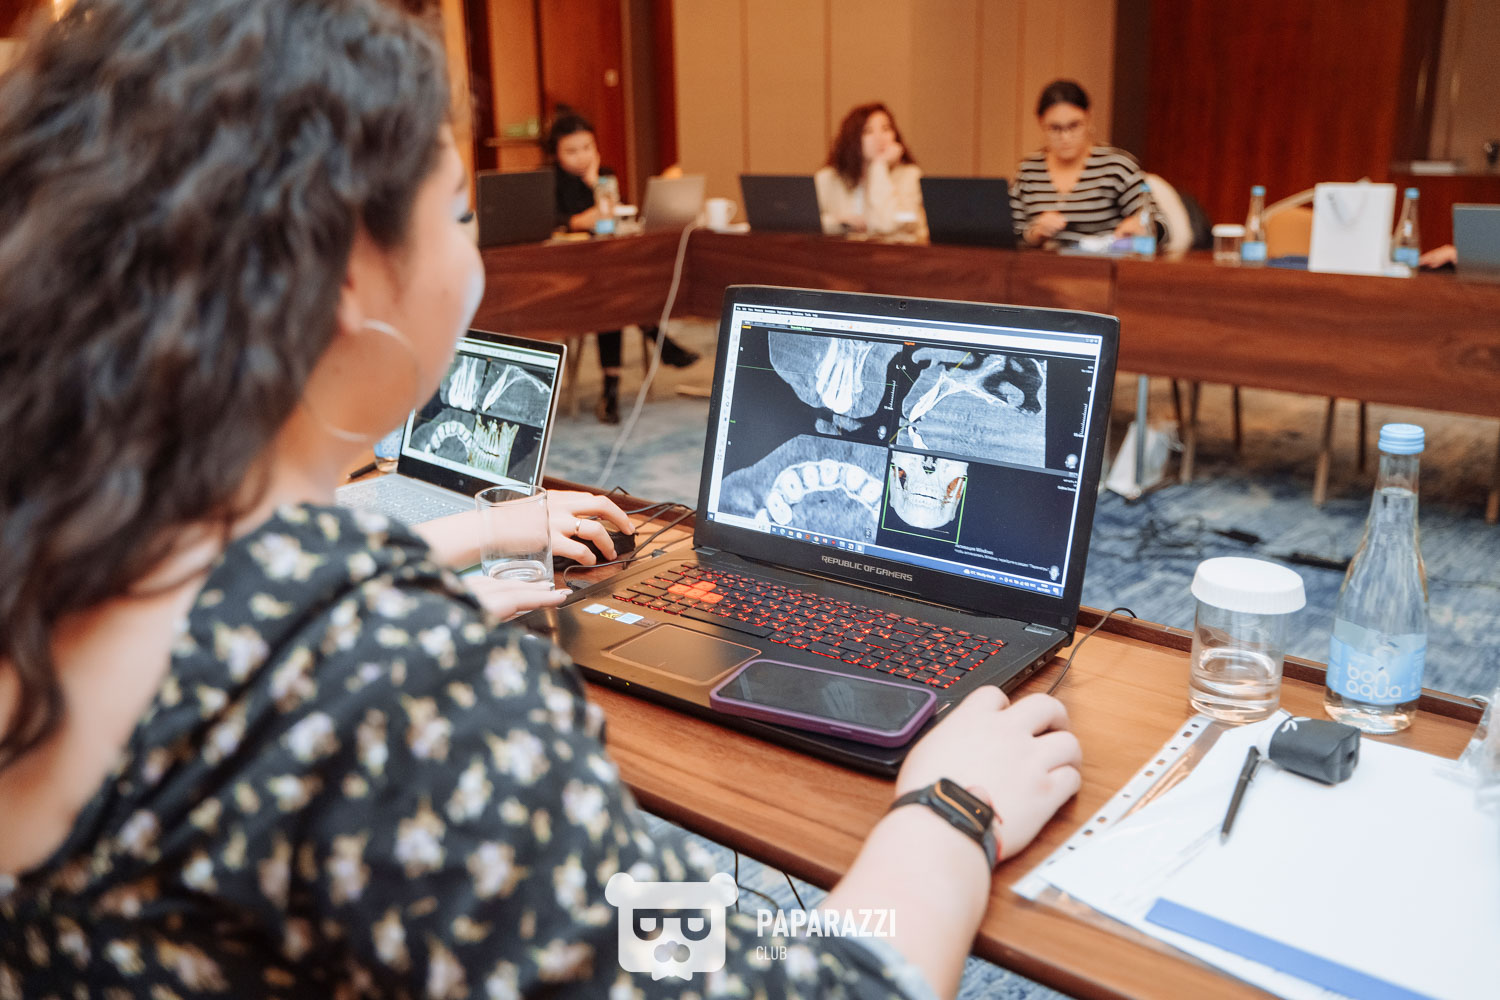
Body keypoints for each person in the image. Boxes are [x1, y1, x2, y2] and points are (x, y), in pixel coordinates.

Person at [0, 2, 1083, 997]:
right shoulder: (386, 694)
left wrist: (416, 602)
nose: (473, 254)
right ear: (347, 276)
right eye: (458, 210)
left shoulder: (62, 545)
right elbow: (785, 980)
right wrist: (950, 809)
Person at [546, 110, 698, 424]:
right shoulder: (548, 180)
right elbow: (556, 220)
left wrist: (595, 183)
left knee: (615, 290)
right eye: (571, 150)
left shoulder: (604, 176)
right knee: (614, 291)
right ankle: (660, 343)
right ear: (555, 153)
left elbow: (613, 215)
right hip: (567, 276)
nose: (581, 156)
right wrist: (581, 218)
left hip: (606, 272)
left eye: (587, 147)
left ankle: (612, 389)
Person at [1011, 80, 1156, 247]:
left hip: (1102, 260)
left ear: (1089, 117)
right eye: (1055, 128)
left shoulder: (1117, 166)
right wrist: (1033, 233)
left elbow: (1158, 223)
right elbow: (1009, 233)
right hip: (1042, 261)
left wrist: (1139, 227)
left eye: (1074, 126)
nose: (1065, 137)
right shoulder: (1028, 170)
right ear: (1040, 122)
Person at [815, 103, 926, 237]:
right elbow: (805, 222)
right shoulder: (829, 178)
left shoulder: (909, 176)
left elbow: (888, 224)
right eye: (868, 131)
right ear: (852, 138)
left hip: (891, 250)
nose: (879, 138)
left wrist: (879, 167)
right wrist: (841, 222)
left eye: (886, 129)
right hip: (841, 249)